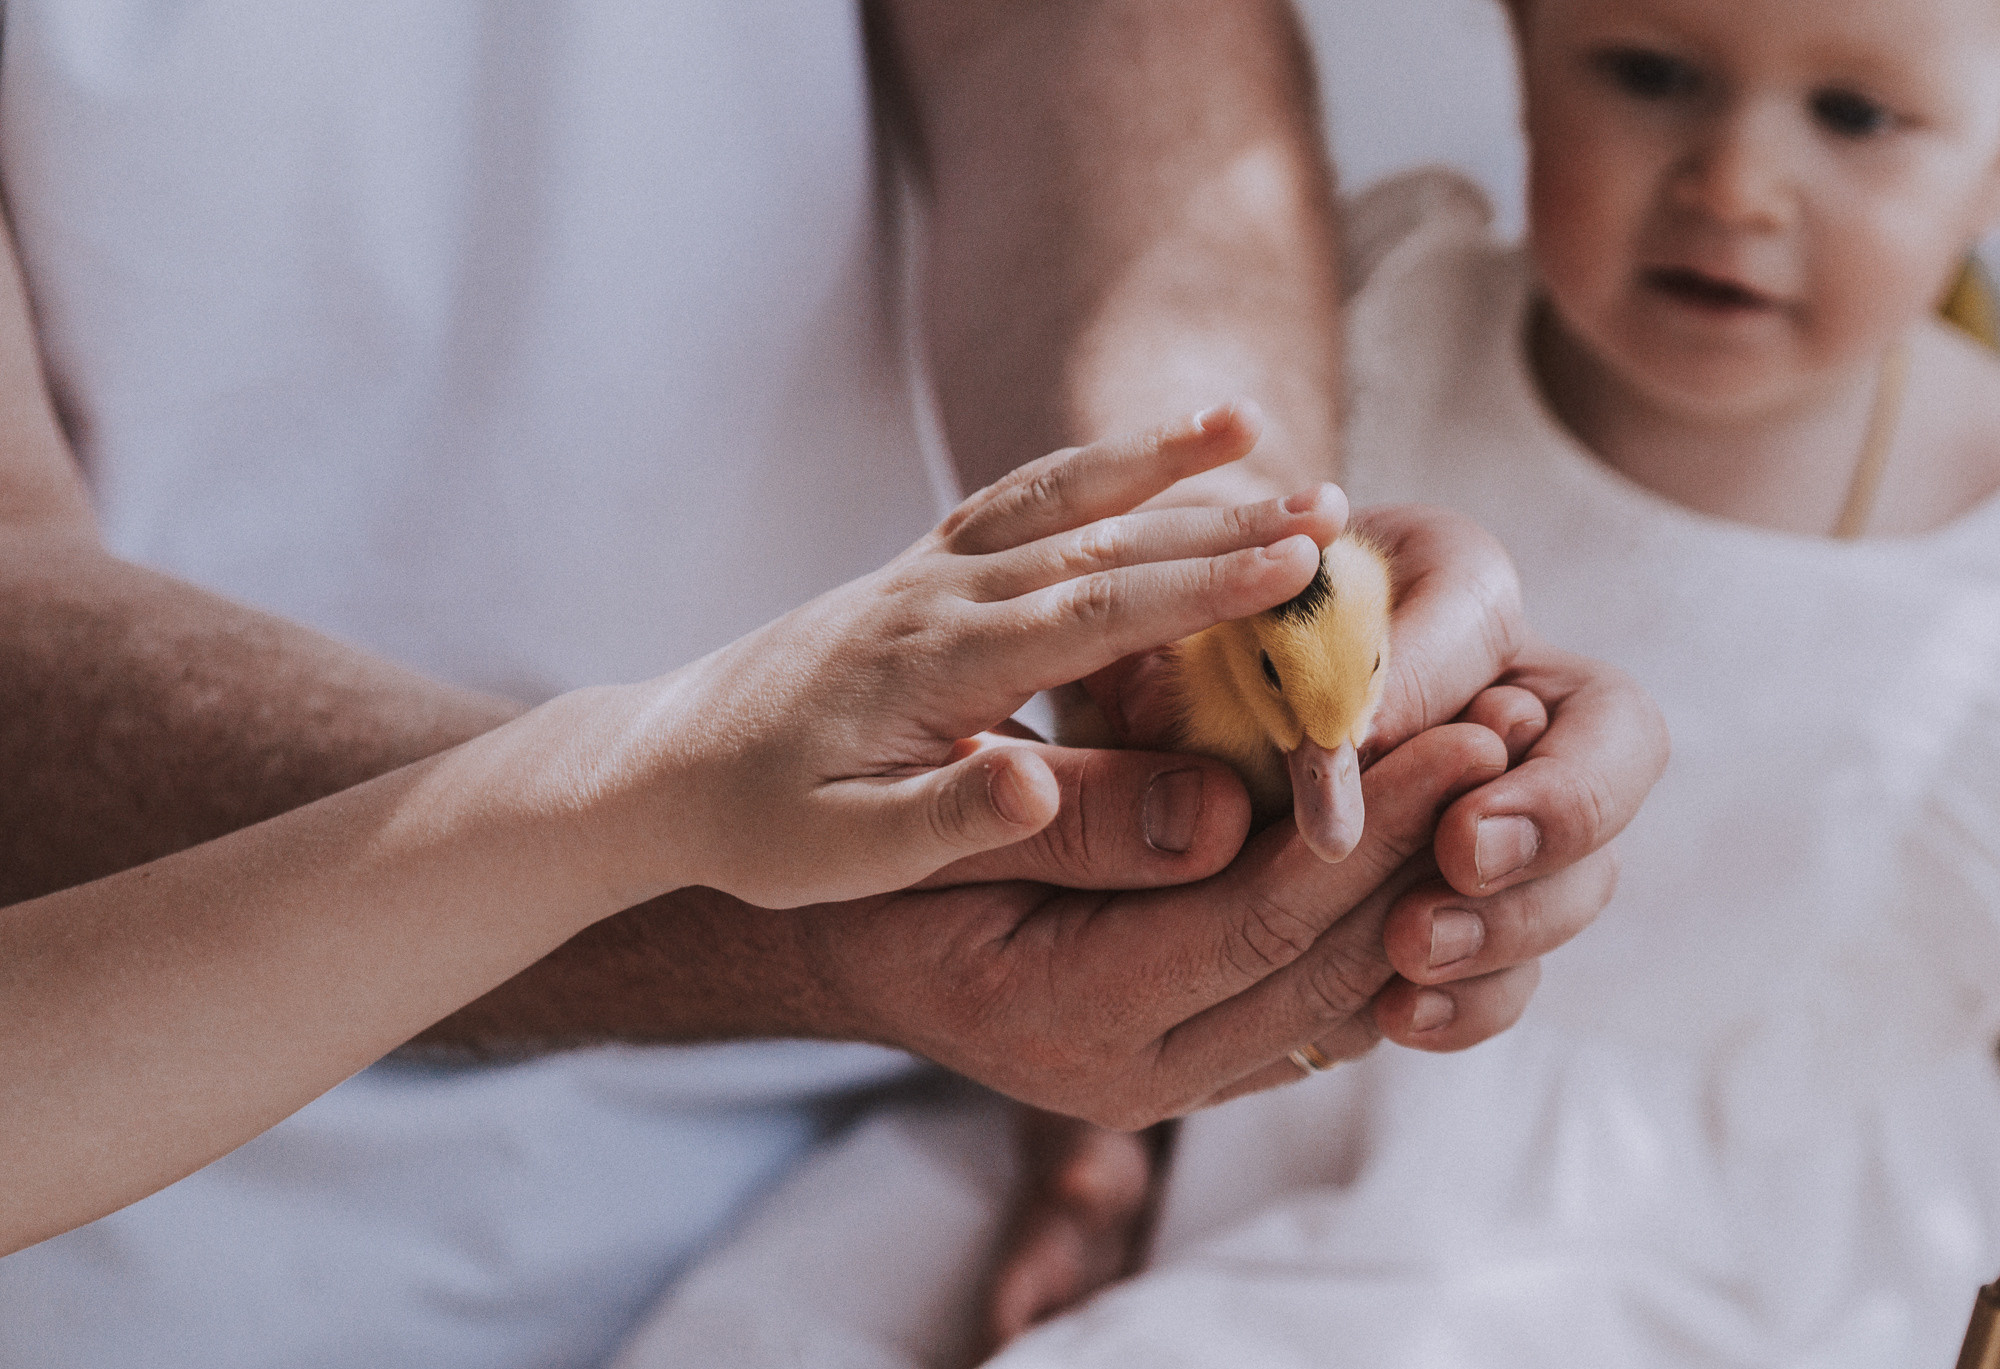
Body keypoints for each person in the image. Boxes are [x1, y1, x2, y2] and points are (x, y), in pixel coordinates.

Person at [0, 2, 1663, 1365]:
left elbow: (1073, 38)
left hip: (929, 1136)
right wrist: (751, 874)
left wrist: (1179, 590)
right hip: (148, 1213)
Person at [679, 0, 2000, 1361]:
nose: (1732, 182)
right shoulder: (1370, 330)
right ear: (1526, 56)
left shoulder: (1980, 563)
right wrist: (1094, 1137)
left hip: (1694, 1244)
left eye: (1854, 114)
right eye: (1651, 73)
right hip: (1232, 1089)